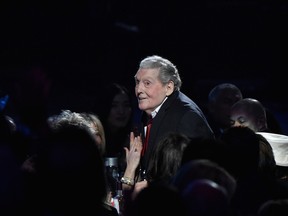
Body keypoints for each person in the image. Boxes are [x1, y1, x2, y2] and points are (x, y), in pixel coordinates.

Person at [133, 55, 214, 177]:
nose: (139, 89)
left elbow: (197, 171)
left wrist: (151, 185)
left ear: (169, 87)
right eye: (137, 82)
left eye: (147, 83)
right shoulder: (146, 113)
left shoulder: (187, 116)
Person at [91, 83, 134, 175]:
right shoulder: (95, 139)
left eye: (126, 105)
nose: (121, 111)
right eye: (114, 105)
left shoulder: (131, 138)